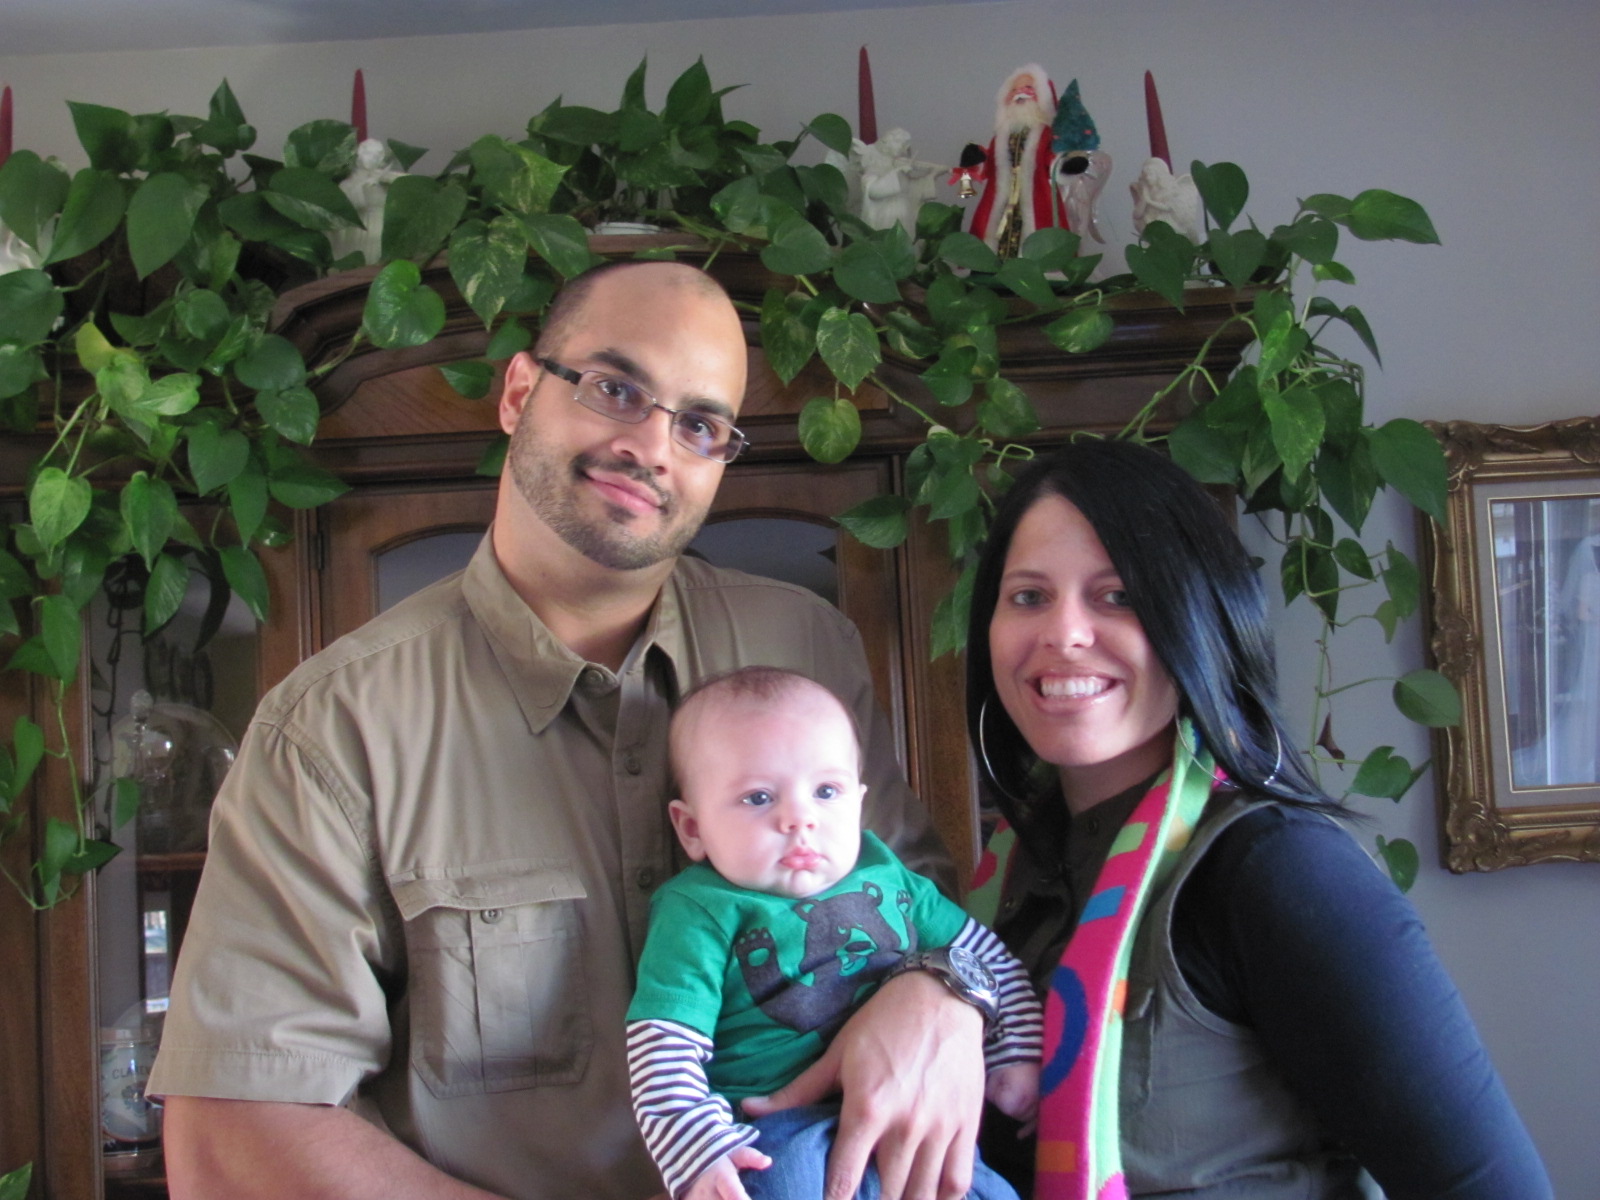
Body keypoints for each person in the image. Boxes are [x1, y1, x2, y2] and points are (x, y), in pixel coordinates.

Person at [148, 260, 991, 1200]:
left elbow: (923, 913)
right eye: (615, 389)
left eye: (699, 425)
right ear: (519, 392)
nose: (651, 447)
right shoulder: (335, 727)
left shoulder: (808, 649)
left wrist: (940, 995)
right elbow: (232, 1130)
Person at [962, 439, 1554, 1199]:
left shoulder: (1278, 869)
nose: (1064, 633)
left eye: (1118, 596)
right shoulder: (1009, 876)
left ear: (1198, 618)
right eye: (1028, 597)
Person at [626, 667, 1042, 1200]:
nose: (800, 818)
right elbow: (662, 1045)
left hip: (911, 1108)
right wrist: (697, 1150)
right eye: (758, 798)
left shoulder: (889, 875)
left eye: (826, 791)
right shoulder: (699, 908)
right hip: (777, 1128)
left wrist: (1016, 1052)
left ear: (858, 802)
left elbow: (987, 958)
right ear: (692, 828)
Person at [959, 65, 1068, 259]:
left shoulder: (1045, 135)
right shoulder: (1001, 135)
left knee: (1040, 237)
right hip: (1001, 196)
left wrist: (1068, 165)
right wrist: (977, 158)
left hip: (1036, 195)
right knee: (989, 232)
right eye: (1015, 89)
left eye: (1028, 88)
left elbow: (1054, 162)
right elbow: (990, 167)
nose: (1020, 93)